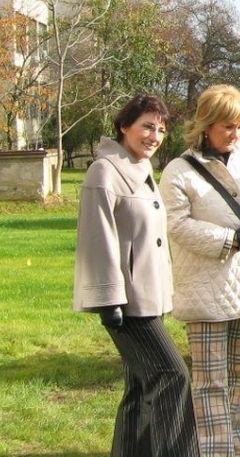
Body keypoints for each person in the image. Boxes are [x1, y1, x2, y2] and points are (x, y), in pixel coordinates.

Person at [73, 94, 200, 457]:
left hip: (149, 299)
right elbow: (97, 238)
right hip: (126, 302)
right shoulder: (105, 171)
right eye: (147, 126)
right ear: (124, 126)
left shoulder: (140, 169)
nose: (154, 136)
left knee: (141, 388)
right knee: (172, 377)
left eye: (161, 130)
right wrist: (108, 299)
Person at [159, 84, 240, 457]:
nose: (236, 133)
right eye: (228, 126)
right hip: (206, 288)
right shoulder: (179, 171)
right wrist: (230, 238)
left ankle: (235, 449)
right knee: (210, 381)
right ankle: (215, 452)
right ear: (206, 124)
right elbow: (176, 225)